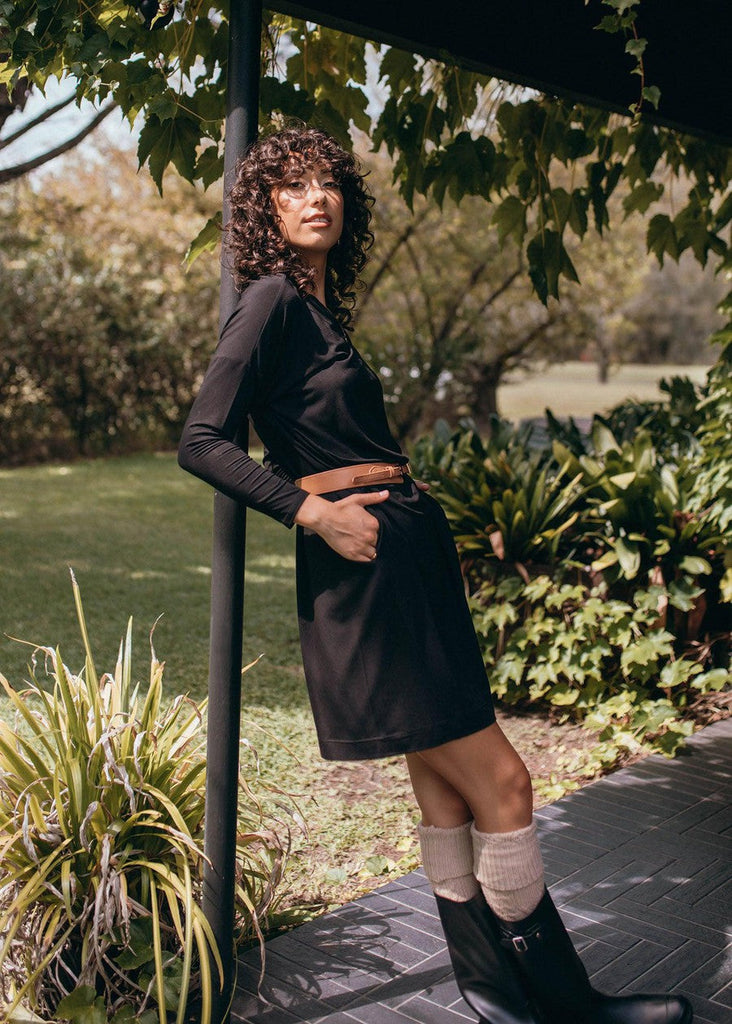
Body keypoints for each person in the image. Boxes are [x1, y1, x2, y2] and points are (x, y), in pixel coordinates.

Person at [178, 125, 692, 1024]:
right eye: (291, 187)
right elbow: (201, 439)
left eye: (328, 182)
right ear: (263, 209)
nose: (315, 198)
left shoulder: (321, 311)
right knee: (506, 783)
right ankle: (570, 1008)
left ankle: (497, 997)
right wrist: (312, 511)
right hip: (365, 573)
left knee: (447, 785)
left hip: (404, 562)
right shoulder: (269, 302)